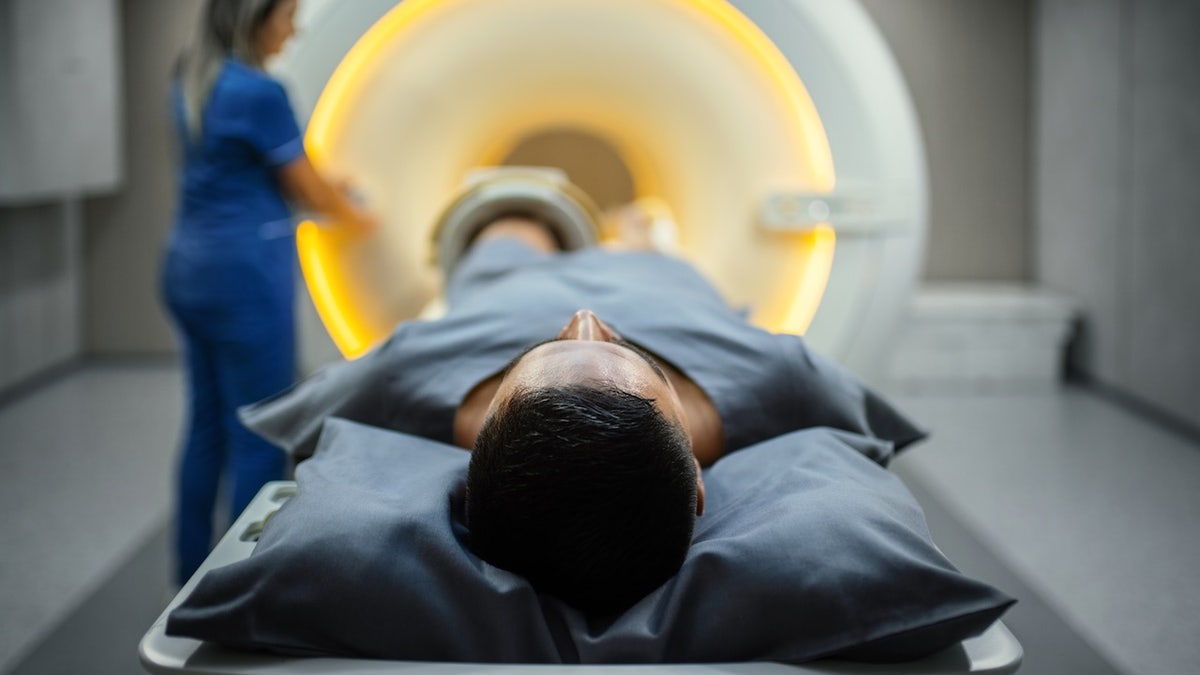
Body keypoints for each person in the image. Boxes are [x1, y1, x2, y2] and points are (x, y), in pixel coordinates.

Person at [241, 173, 923, 616]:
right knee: (650, 236)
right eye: (626, 351)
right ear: (696, 483)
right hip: (663, 283)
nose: (587, 316)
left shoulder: (402, 375)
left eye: (547, 349)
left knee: (508, 237)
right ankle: (636, 235)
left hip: (507, 284)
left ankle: (540, 232)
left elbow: (291, 425)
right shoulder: (784, 378)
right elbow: (883, 437)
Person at [161, 0, 375, 586]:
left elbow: (251, 168)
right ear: (253, 18)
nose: (295, 28)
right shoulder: (261, 92)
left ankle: (188, 573)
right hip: (242, 278)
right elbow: (312, 193)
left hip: (187, 267)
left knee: (206, 423)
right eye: (287, 16)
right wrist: (365, 215)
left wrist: (330, 184)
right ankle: (242, 584)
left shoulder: (193, 77)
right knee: (260, 429)